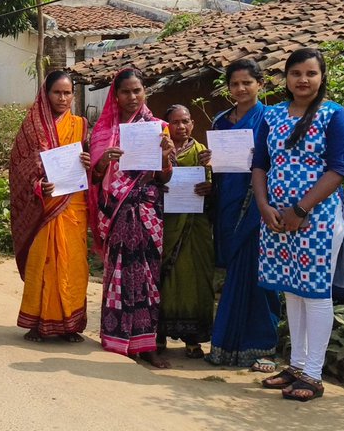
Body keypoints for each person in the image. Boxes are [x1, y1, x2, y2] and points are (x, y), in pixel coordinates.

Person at [253, 48, 344, 402]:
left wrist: (301, 208)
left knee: (315, 293)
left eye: (311, 73)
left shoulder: (335, 116)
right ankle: (296, 365)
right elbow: (260, 165)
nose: (303, 80)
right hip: (278, 218)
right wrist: (264, 206)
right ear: (286, 78)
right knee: (291, 291)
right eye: (296, 73)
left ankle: (313, 374)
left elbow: (338, 169)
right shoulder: (273, 116)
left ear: (321, 76)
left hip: (319, 219)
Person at [89, 68, 175, 367]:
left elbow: (164, 177)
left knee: (149, 276)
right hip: (116, 211)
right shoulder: (103, 132)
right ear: (116, 94)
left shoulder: (158, 128)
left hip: (148, 210)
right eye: (125, 91)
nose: (132, 97)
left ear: (145, 91)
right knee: (118, 273)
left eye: (137, 90)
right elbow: (95, 178)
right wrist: (103, 162)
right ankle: (115, 338)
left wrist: (165, 154)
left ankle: (147, 343)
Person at [203, 59, 280, 370]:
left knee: (261, 277)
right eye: (234, 84)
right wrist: (212, 160)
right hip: (228, 205)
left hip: (259, 206)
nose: (240, 89)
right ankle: (225, 345)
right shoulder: (222, 121)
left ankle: (261, 346)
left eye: (247, 82)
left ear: (259, 84)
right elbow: (219, 173)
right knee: (235, 274)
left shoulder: (272, 119)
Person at [9, 70, 91, 342]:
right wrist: (37, 186)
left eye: (68, 93)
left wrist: (91, 165)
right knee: (42, 264)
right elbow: (19, 167)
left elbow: (93, 166)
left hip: (73, 207)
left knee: (72, 265)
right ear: (46, 94)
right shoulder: (32, 126)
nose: (63, 98)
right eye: (57, 92)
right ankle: (38, 322)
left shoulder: (81, 125)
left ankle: (70, 326)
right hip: (43, 207)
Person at [156, 104, 214, 358]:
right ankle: (159, 336)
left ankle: (193, 339)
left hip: (194, 227)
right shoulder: (159, 152)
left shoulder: (203, 153)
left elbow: (214, 186)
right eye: (175, 122)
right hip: (166, 225)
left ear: (193, 124)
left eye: (186, 121)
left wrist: (208, 187)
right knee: (164, 279)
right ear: (167, 126)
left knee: (195, 279)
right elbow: (147, 180)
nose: (181, 126)